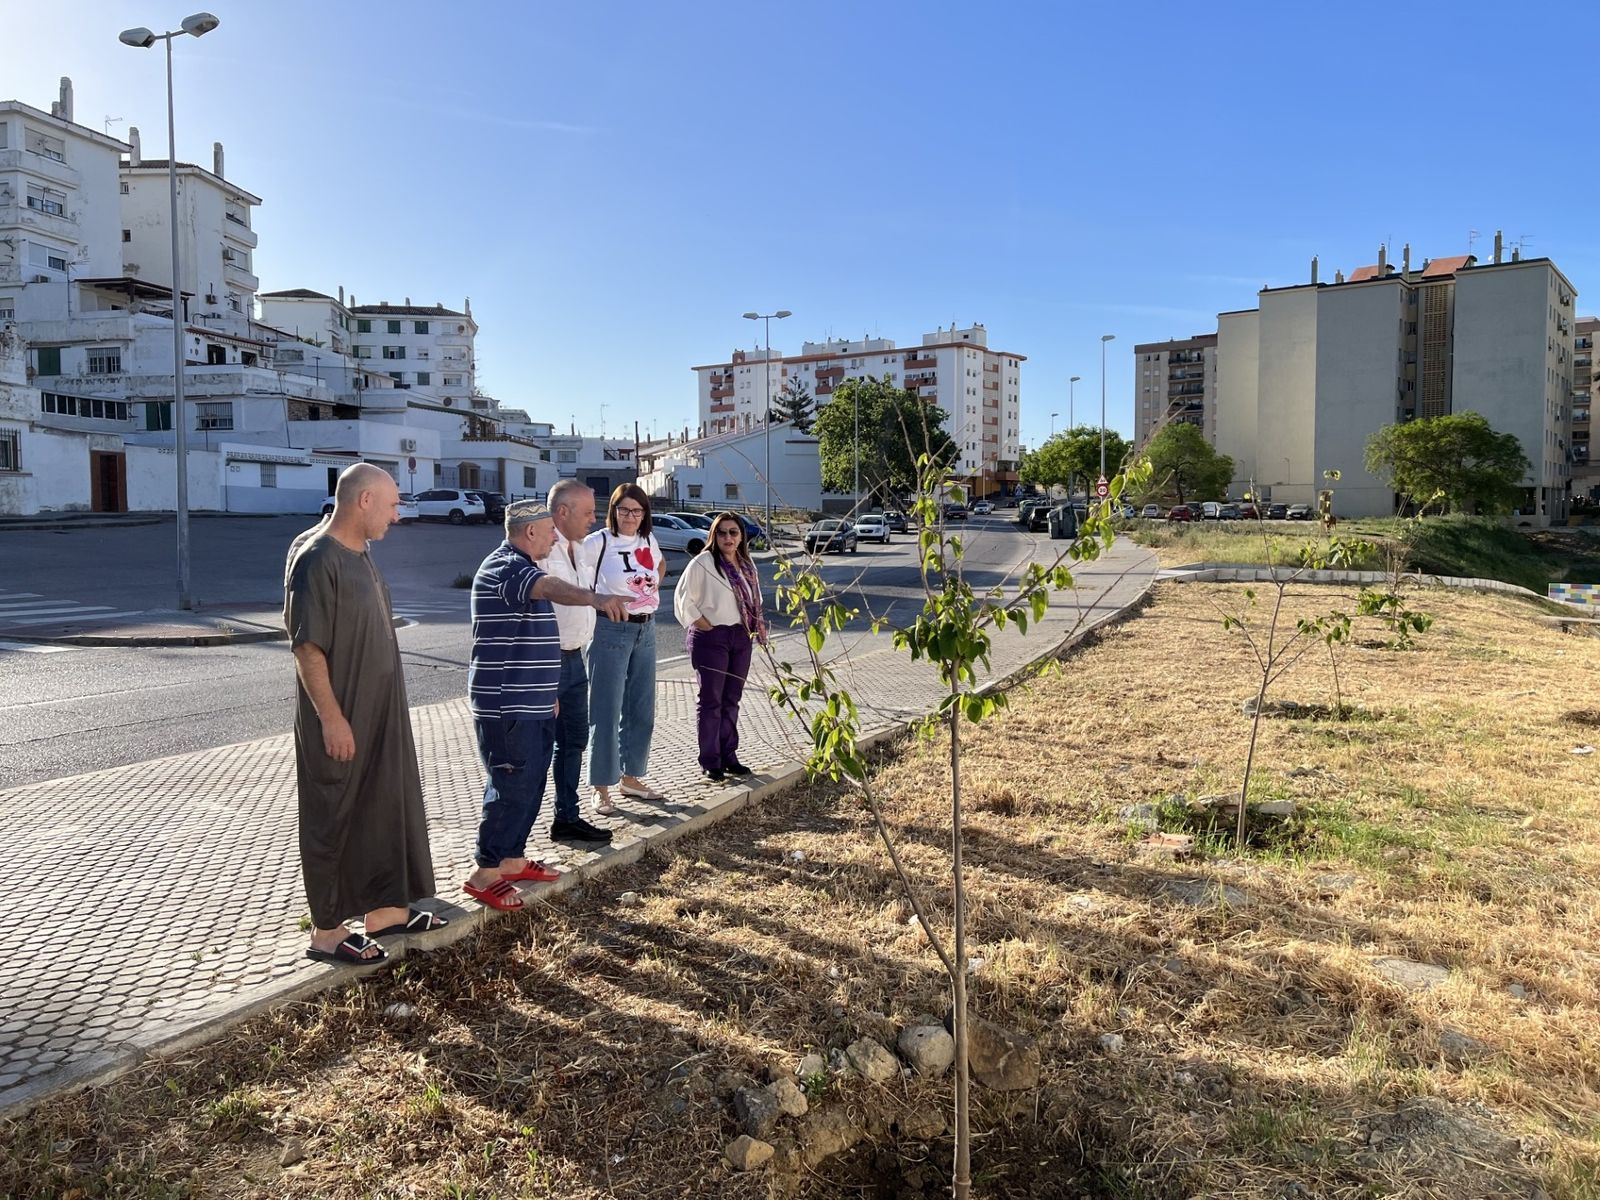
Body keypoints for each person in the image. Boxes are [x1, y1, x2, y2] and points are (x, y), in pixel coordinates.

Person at [284, 463, 442, 965]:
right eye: (394, 504)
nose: (399, 514)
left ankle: (386, 912)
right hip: (341, 718)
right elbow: (307, 649)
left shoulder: (361, 552)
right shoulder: (317, 557)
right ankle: (327, 932)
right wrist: (332, 718)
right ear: (364, 501)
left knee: (381, 808)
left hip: (379, 715)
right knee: (332, 817)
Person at [463, 500, 630, 912]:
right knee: (511, 786)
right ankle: (484, 874)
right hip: (507, 705)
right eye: (548, 530)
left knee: (531, 783)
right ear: (530, 532)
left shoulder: (524, 566)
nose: (555, 536)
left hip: (534, 701)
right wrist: (594, 598)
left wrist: (548, 693)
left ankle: (512, 860)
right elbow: (550, 588)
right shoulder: (508, 567)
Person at [537, 479, 614, 844]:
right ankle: (510, 845)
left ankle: (566, 817)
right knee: (536, 749)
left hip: (575, 660)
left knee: (574, 741)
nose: (593, 519)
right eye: (587, 513)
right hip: (548, 661)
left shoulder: (579, 548)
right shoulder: (541, 550)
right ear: (562, 512)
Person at [586, 483, 666, 813]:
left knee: (640, 709)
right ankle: (601, 787)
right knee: (606, 710)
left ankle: (631, 778)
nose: (630, 516)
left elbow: (659, 565)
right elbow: (574, 572)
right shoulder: (599, 542)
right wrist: (598, 598)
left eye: (636, 510)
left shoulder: (647, 540)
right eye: (623, 510)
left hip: (645, 629)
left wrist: (656, 582)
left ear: (644, 513)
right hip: (610, 628)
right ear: (614, 511)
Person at [674, 511, 768, 782]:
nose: (728, 537)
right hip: (711, 638)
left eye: (734, 532)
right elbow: (683, 599)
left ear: (741, 537)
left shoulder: (747, 565)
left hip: (740, 637)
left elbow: (755, 600)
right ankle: (710, 760)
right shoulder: (704, 562)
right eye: (722, 532)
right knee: (711, 701)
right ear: (714, 536)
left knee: (731, 700)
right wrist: (703, 624)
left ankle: (729, 756)